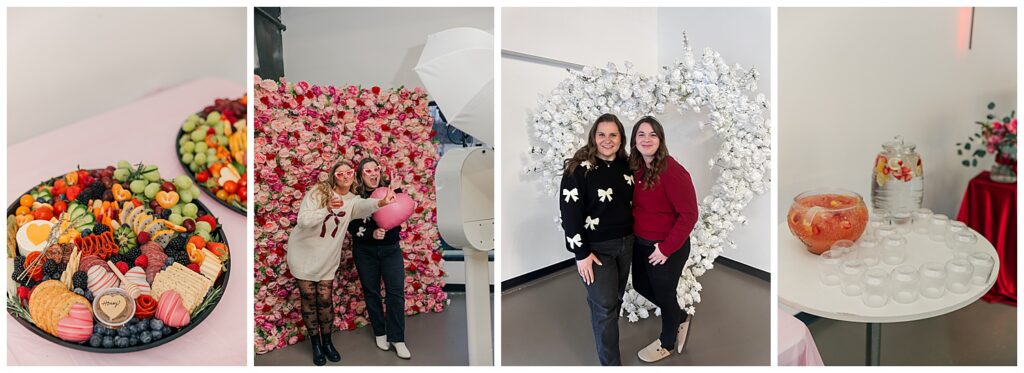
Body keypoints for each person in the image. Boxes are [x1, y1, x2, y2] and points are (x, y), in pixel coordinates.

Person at [286, 160, 396, 365]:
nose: (345, 176)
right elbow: (303, 221)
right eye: (340, 173)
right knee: (309, 296)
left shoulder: (353, 200)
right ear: (333, 176)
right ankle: (316, 344)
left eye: (349, 172)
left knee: (325, 298)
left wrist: (382, 202)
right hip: (303, 252)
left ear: (353, 176)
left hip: (327, 256)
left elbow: (365, 206)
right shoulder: (318, 192)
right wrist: (326, 209)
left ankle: (327, 342)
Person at [559, 113, 635, 366]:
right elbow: (570, 215)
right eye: (601, 134)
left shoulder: (628, 167)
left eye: (613, 134)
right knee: (605, 306)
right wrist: (580, 254)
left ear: (621, 138)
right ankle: (611, 364)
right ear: (593, 136)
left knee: (614, 301)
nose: (607, 139)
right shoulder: (578, 170)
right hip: (596, 249)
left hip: (626, 244)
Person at [628, 116, 699, 363]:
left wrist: (666, 249)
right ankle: (679, 316)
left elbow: (689, 215)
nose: (646, 139)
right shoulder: (636, 168)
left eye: (652, 135)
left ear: (661, 139)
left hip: (666, 246)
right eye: (641, 134)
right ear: (634, 140)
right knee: (640, 285)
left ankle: (667, 342)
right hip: (641, 242)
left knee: (665, 294)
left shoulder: (673, 172)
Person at [348, 158, 413, 359]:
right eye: (367, 171)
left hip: (390, 250)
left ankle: (397, 338)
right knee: (372, 292)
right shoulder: (355, 198)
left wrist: (399, 192)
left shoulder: (390, 190)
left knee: (395, 292)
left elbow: (401, 213)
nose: (373, 173)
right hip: (365, 252)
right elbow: (350, 226)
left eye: (375, 169)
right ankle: (380, 332)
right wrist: (371, 234)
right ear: (361, 176)